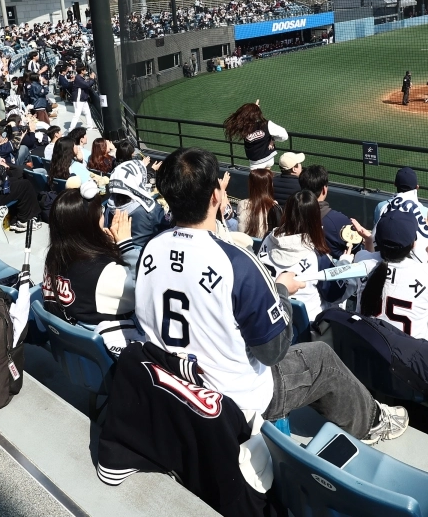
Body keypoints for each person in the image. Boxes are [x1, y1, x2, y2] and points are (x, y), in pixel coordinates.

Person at [135, 147, 409, 444]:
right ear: (216, 196)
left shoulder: (149, 250)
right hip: (233, 400)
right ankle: (372, 422)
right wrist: (280, 290)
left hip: (171, 382)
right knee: (321, 359)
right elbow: (273, 351)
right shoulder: (235, 262)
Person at [43, 184, 141, 354]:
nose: (104, 217)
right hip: (103, 351)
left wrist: (107, 246)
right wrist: (126, 246)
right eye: (101, 213)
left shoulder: (53, 254)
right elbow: (144, 291)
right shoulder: (106, 274)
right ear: (89, 224)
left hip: (71, 342)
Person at [356, 210, 428, 343]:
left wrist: (368, 241)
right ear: (413, 244)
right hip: (411, 356)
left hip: (370, 346)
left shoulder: (361, 260)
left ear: (377, 240)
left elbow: (370, 259)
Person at [258, 190, 343, 323]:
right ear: (315, 218)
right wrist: (344, 263)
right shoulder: (317, 255)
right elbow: (336, 295)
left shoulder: (268, 238)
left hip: (268, 317)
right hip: (305, 329)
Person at [298, 164, 371, 255]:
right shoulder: (337, 220)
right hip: (333, 266)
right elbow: (357, 250)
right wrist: (368, 239)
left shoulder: (290, 214)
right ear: (324, 189)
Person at [373, 167, 428, 264]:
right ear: (417, 187)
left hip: (384, 257)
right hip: (415, 264)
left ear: (395, 184)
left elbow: (378, 233)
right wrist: (427, 228)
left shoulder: (381, 207)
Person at [107, 160, 171, 258]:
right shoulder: (150, 210)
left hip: (119, 254)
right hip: (145, 255)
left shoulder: (109, 206)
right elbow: (167, 226)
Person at [222, 101, 289, 170]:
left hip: (256, 163)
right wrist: (273, 139)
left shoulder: (243, 126)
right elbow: (285, 135)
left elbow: (235, 123)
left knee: (257, 180)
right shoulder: (267, 124)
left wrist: (252, 109)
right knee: (268, 177)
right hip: (269, 158)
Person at [238, 168, 282, 239]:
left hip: (247, 245)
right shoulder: (274, 205)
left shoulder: (242, 204)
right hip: (265, 246)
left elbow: (241, 231)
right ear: (269, 185)